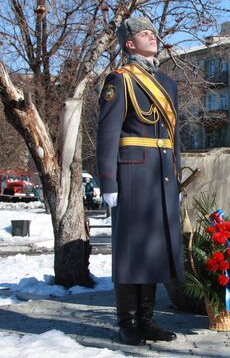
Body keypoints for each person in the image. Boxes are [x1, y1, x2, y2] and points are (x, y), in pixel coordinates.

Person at [96, 17, 183, 345]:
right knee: (131, 251)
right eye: (144, 33)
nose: (152, 36)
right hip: (132, 174)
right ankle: (128, 321)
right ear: (129, 44)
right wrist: (108, 183)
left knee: (154, 251)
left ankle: (147, 320)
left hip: (161, 176)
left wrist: (175, 178)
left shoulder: (167, 83)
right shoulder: (120, 80)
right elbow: (107, 133)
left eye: (152, 32)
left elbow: (175, 137)